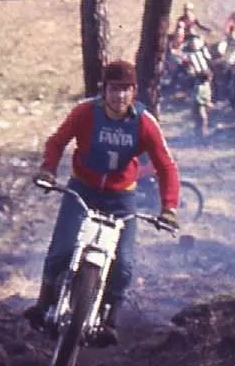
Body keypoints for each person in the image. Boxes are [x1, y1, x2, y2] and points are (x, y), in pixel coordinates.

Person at [25, 60, 180, 347]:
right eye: (114, 89)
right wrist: (48, 170)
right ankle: (43, 303)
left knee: (124, 262)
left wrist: (169, 208)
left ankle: (110, 320)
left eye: (126, 89)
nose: (119, 95)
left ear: (134, 92)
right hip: (82, 189)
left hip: (122, 196)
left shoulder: (144, 122)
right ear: (104, 90)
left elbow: (166, 166)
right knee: (62, 248)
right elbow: (57, 141)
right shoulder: (85, 112)